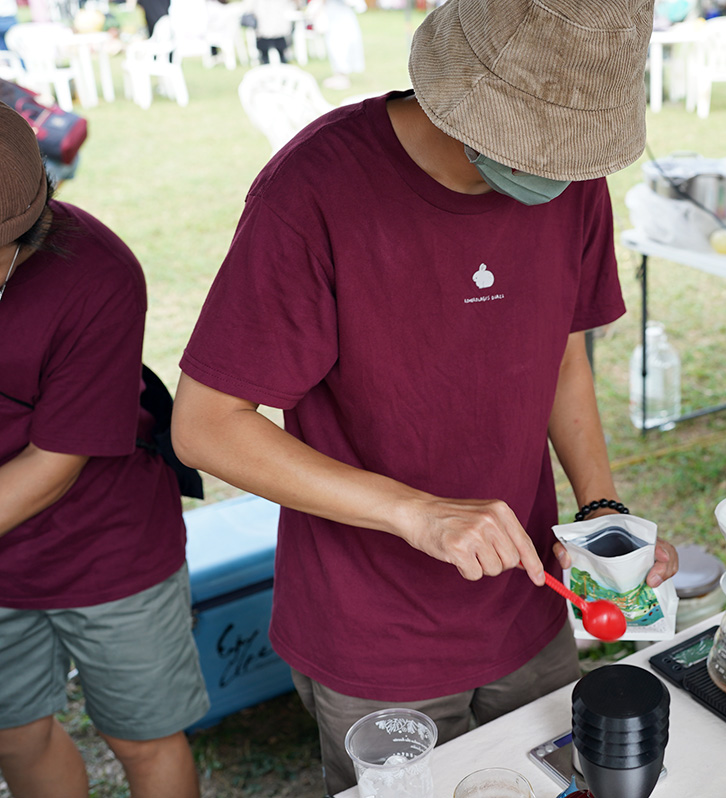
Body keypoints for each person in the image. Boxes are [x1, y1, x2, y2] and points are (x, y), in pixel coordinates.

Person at [171, 0, 677, 794]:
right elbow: (205, 426)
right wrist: (417, 512)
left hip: (525, 604)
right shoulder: (315, 191)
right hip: (373, 629)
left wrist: (600, 514)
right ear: (464, 91)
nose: (553, 172)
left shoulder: (572, 175)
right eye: (533, 146)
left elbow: (562, 353)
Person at [0, 105, 209, 798]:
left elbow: (52, 468)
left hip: (107, 547)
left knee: (144, 739)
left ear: (26, 231)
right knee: (14, 731)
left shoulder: (96, 274)